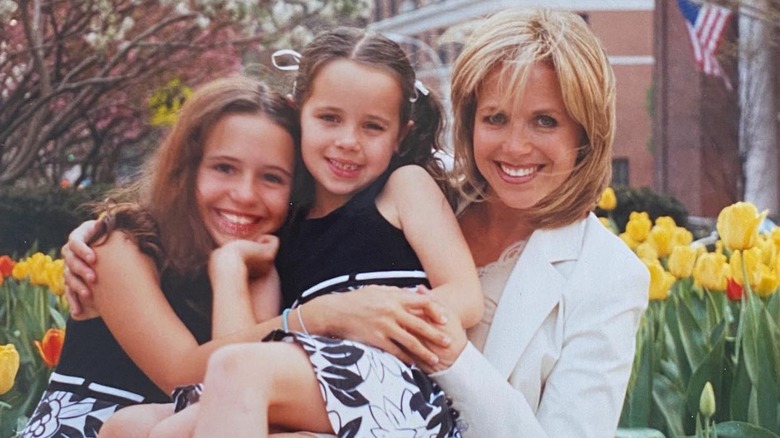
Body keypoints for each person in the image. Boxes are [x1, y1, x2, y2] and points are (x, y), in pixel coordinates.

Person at [65, 8, 650, 437]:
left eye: (545, 121)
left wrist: (415, 338)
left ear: (585, 133)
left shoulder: (606, 275)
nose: (516, 145)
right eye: (495, 117)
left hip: (398, 401)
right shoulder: (429, 199)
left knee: (231, 379)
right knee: (128, 429)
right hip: (321, 398)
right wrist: (107, 238)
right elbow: (243, 303)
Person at [67, 27, 482, 437]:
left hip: (399, 381)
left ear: (400, 135)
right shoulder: (285, 228)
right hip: (310, 384)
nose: (347, 141)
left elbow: (465, 298)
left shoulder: (404, 187)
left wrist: (386, 316)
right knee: (130, 426)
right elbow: (236, 348)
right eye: (329, 118)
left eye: (372, 127)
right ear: (297, 114)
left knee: (229, 379)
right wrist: (230, 265)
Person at [19, 76, 300, 437]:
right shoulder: (121, 245)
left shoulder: (264, 262)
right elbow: (188, 379)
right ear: (186, 168)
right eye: (224, 168)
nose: (245, 194)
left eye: (272, 178)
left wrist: (236, 268)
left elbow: (249, 390)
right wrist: (307, 318)